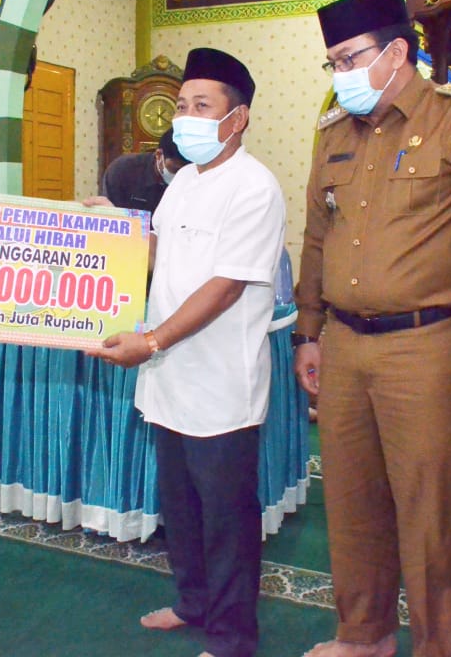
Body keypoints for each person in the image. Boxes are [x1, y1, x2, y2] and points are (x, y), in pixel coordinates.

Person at [293, 0, 451, 657]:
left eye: (349, 58)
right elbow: (315, 241)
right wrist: (310, 332)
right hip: (344, 346)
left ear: (397, 51)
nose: (340, 74)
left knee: (433, 517)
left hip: (429, 346)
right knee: (352, 504)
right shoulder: (335, 133)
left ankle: (442, 648)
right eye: (331, 62)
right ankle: (363, 636)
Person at [89, 47, 286, 657]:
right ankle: (193, 601)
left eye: (203, 105)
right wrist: (106, 230)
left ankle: (232, 637)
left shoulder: (255, 188)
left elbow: (224, 286)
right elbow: (160, 260)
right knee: (181, 505)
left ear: (238, 118)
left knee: (226, 517)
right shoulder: (181, 186)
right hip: (169, 379)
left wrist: (151, 341)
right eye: (181, 105)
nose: (186, 117)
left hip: (221, 386)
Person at [100, 127, 190, 213]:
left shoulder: (197, 174)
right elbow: (112, 215)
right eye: (176, 170)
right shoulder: (122, 170)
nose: (181, 175)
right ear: (159, 155)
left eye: (187, 171)